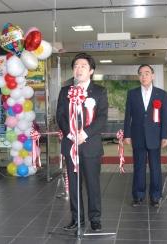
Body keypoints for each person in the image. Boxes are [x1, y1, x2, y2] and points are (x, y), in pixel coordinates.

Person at [56, 53, 108, 231]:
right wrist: (70, 133)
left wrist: (84, 133)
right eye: (76, 66)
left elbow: (102, 119)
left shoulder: (99, 91)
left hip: (90, 144)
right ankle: (77, 218)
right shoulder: (65, 91)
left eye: (83, 66)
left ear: (91, 71)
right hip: (70, 144)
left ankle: (95, 218)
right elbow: (60, 116)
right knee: (73, 183)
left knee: (92, 184)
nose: (78, 69)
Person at [124, 64, 167, 207]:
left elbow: (165, 116)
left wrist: (165, 136)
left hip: (155, 136)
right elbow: (127, 117)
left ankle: (155, 196)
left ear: (153, 76)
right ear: (138, 77)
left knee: (156, 167)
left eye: (147, 73)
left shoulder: (161, 94)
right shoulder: (132, 93)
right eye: (141, 74)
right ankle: (138, 196)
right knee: (139, 167)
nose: (144, 76)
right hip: (137, 136)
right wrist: (127, 134)